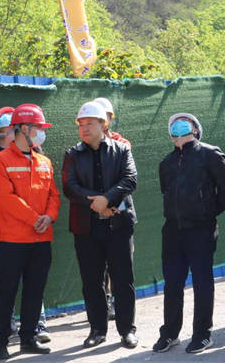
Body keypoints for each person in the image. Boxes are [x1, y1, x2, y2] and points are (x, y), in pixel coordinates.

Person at [153, 113, 225, 354]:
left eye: (185, 123)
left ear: (196, 130)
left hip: (201, 229)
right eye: (174, 124)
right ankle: (170, 333)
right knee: (172, 283)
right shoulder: (166, 162)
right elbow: (166, 191)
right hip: (172, 230)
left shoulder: (210, 153)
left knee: (202, 281)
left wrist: (207, 212)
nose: (179, 126)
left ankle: (202, 334)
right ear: (170, 134)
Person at [62, 101, 139, 349]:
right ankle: (97, 329)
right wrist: (97, 202)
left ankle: (127, 330)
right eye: (80, 124)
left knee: (123, 279)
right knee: (92, 281)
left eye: (90, 123)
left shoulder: (122, 149)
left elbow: (130, 179)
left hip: (119, 225)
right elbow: (70, 187)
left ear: (103, 124)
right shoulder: (72, 154)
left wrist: (108, 199)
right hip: (86, 228)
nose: (84, 128)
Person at [0, 107, 52, 342]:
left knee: (34, 283)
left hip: (36, 233)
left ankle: (36, 327)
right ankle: (5, 332)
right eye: (5, 131)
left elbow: (50, 193)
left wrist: (46, 217)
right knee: (5, 284)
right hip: (2, 232)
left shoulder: (39, 156)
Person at [0, 103, 59, 359]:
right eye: (38, 127)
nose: (41, 132)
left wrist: (49, 217)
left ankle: (28, 337)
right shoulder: (0, 161)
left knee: (35, 290)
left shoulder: (45, 161)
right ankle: (0, 342)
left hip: (41, 238)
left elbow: (53, 195)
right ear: (24, 129)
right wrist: (35, 218)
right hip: (13, 240)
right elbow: (6, 198)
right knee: (6, 291)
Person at [91, 97, 130, 321]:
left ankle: (117, 301)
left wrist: (110, 203)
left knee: (120, 263)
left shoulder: (121, 143)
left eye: (105, 116)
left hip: (119, 211)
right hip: (96, 213)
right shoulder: (85, 147)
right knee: (99, 265)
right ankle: (103, 301)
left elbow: (124, 179)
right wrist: (99, 205)